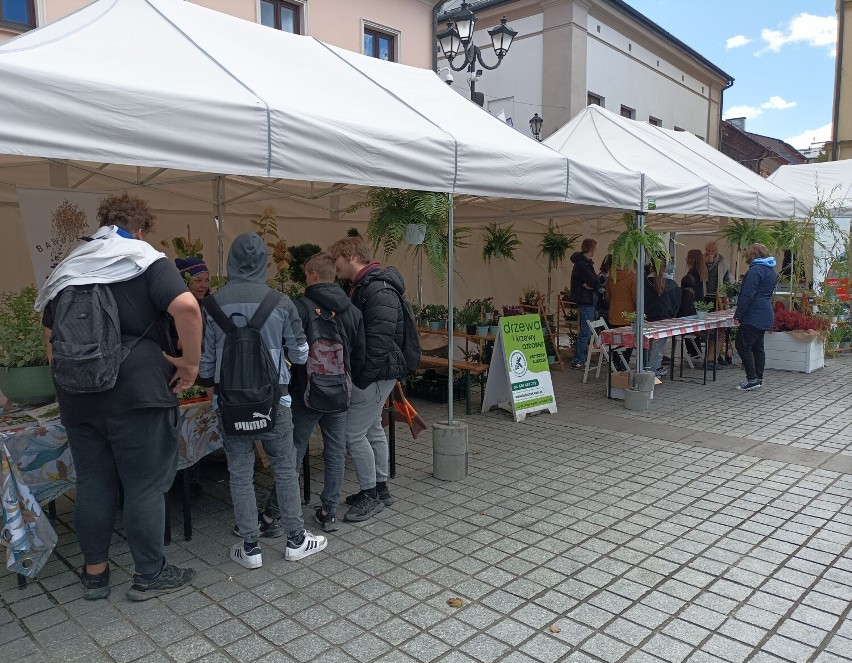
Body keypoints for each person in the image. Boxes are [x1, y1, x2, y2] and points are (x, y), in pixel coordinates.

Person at [37, 193, 202, 601]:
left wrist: (73, 381)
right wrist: (190, 364)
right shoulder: (145, 259)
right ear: (141, 229)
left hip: (78, 394)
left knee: (93, 483)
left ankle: (95, 573)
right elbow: (188, 308)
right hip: (136, 391)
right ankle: (149, 574)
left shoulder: (70, 267)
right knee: (144, 485)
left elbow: (50, 338)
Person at [199, 232, 326, 569]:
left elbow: (206, 365)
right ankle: (297, 539)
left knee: (239, 473)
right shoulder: (280, 302)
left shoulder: (211, 305)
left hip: (230, 406)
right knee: (285, 470)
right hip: (276, 403)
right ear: (262, 264)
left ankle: (250, 547)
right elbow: (300, 355)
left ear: (230, 262)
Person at [260, 252, 366, 533]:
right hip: (340, 393)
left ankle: (275, 515)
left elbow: (289, 352)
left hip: (304, 393)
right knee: (335, 452)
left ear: (313, 276)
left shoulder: (299, 307)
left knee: (291, 453)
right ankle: (328, 512)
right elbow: (359, 354)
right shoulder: (353, 311)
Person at [327, 236, 409, 522]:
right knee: (373, 429)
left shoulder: (377, 289)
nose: (334, 267)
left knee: (352, 433)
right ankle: (380, 488)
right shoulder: (366, 286)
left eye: (335, 260)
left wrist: (361, 380)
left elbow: (378, 343)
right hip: (378, 372)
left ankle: (369, 494)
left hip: (375, 373)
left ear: (348, 255)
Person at [734, 243, 777, 391]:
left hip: (754, 314)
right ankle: (758, 378)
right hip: (765, 312)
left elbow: (747, 295)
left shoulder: (755, 271)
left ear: (751, 255)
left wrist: (738, 314)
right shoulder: (770, 270)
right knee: (758, 347)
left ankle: (752, 378)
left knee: (742, 344)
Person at [644, 259, 681, 377]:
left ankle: (647, 367)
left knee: (648, 344)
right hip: (664, 318)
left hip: (648, 317)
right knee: (658, 345)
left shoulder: (644, 282)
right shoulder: (672, 284)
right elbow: (676, 302)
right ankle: (653, 369)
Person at [569, 239, 599, 370]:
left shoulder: (585, 263)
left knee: (587, 331)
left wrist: (591, 285)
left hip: (588, 299)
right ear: (591, 249)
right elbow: (594, 280)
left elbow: (593, 281)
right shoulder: (582, 264)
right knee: (586, 331)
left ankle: (581, 357)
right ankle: (578, 359)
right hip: (585, 300)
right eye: (594, 248)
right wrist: (591, 285)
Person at [606, 262, 636, 371]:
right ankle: (625, 362)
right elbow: (635, 297)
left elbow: (608, 295)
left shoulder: (611, 277)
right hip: (628, 313)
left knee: (616, 340)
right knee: (629, 341)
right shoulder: (632, 277)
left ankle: (616, 362)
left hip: (614, 311)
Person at [595, 254, 613, 323]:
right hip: (602, 304)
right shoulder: (603, 275)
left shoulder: (602, 274)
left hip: (605, 303)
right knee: (603, 323)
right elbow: (598, 289)